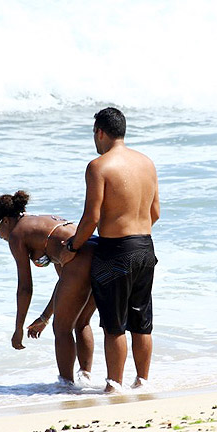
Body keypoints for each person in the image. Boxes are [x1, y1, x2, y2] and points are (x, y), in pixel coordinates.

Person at [59, 107, 160, 392]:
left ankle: (114, 385)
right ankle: (142, 382)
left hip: (115, 252)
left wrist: (72, 246)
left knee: (114, 325)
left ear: (100, 132)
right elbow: (156, 212)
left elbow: (90, 218)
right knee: (142, 322)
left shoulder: (98, 166)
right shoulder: (147, 163)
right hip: (145, 247)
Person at [0, 190, 97, 385]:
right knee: (82, 322)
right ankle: (85, 378)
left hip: (81, 259)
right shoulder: (43, 226)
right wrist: (44, 317)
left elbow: (25, 287)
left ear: (5, 221)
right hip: (99, 253)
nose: (1, 237)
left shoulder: (17, 234)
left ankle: (66, 386)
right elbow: (64, 283)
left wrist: (18, 328)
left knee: (62, 328)